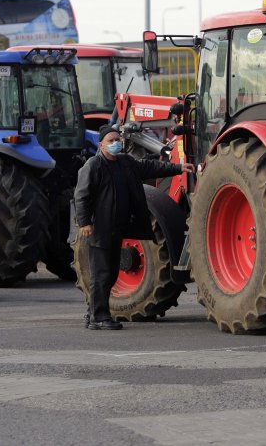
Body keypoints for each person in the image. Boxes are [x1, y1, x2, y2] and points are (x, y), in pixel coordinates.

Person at [74, 125, 195, 330]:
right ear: (101, 144)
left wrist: (178, 168)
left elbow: (151, 167)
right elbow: (82, 195)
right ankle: (99, 318)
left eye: (117, 140)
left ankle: (93, 313)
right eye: (110, 141)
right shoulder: (93, 166)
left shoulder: (125, 163)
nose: (115, 144)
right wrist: (84, 222)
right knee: (102, 273)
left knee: (110, 273)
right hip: (100, 229)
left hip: (118, 227)